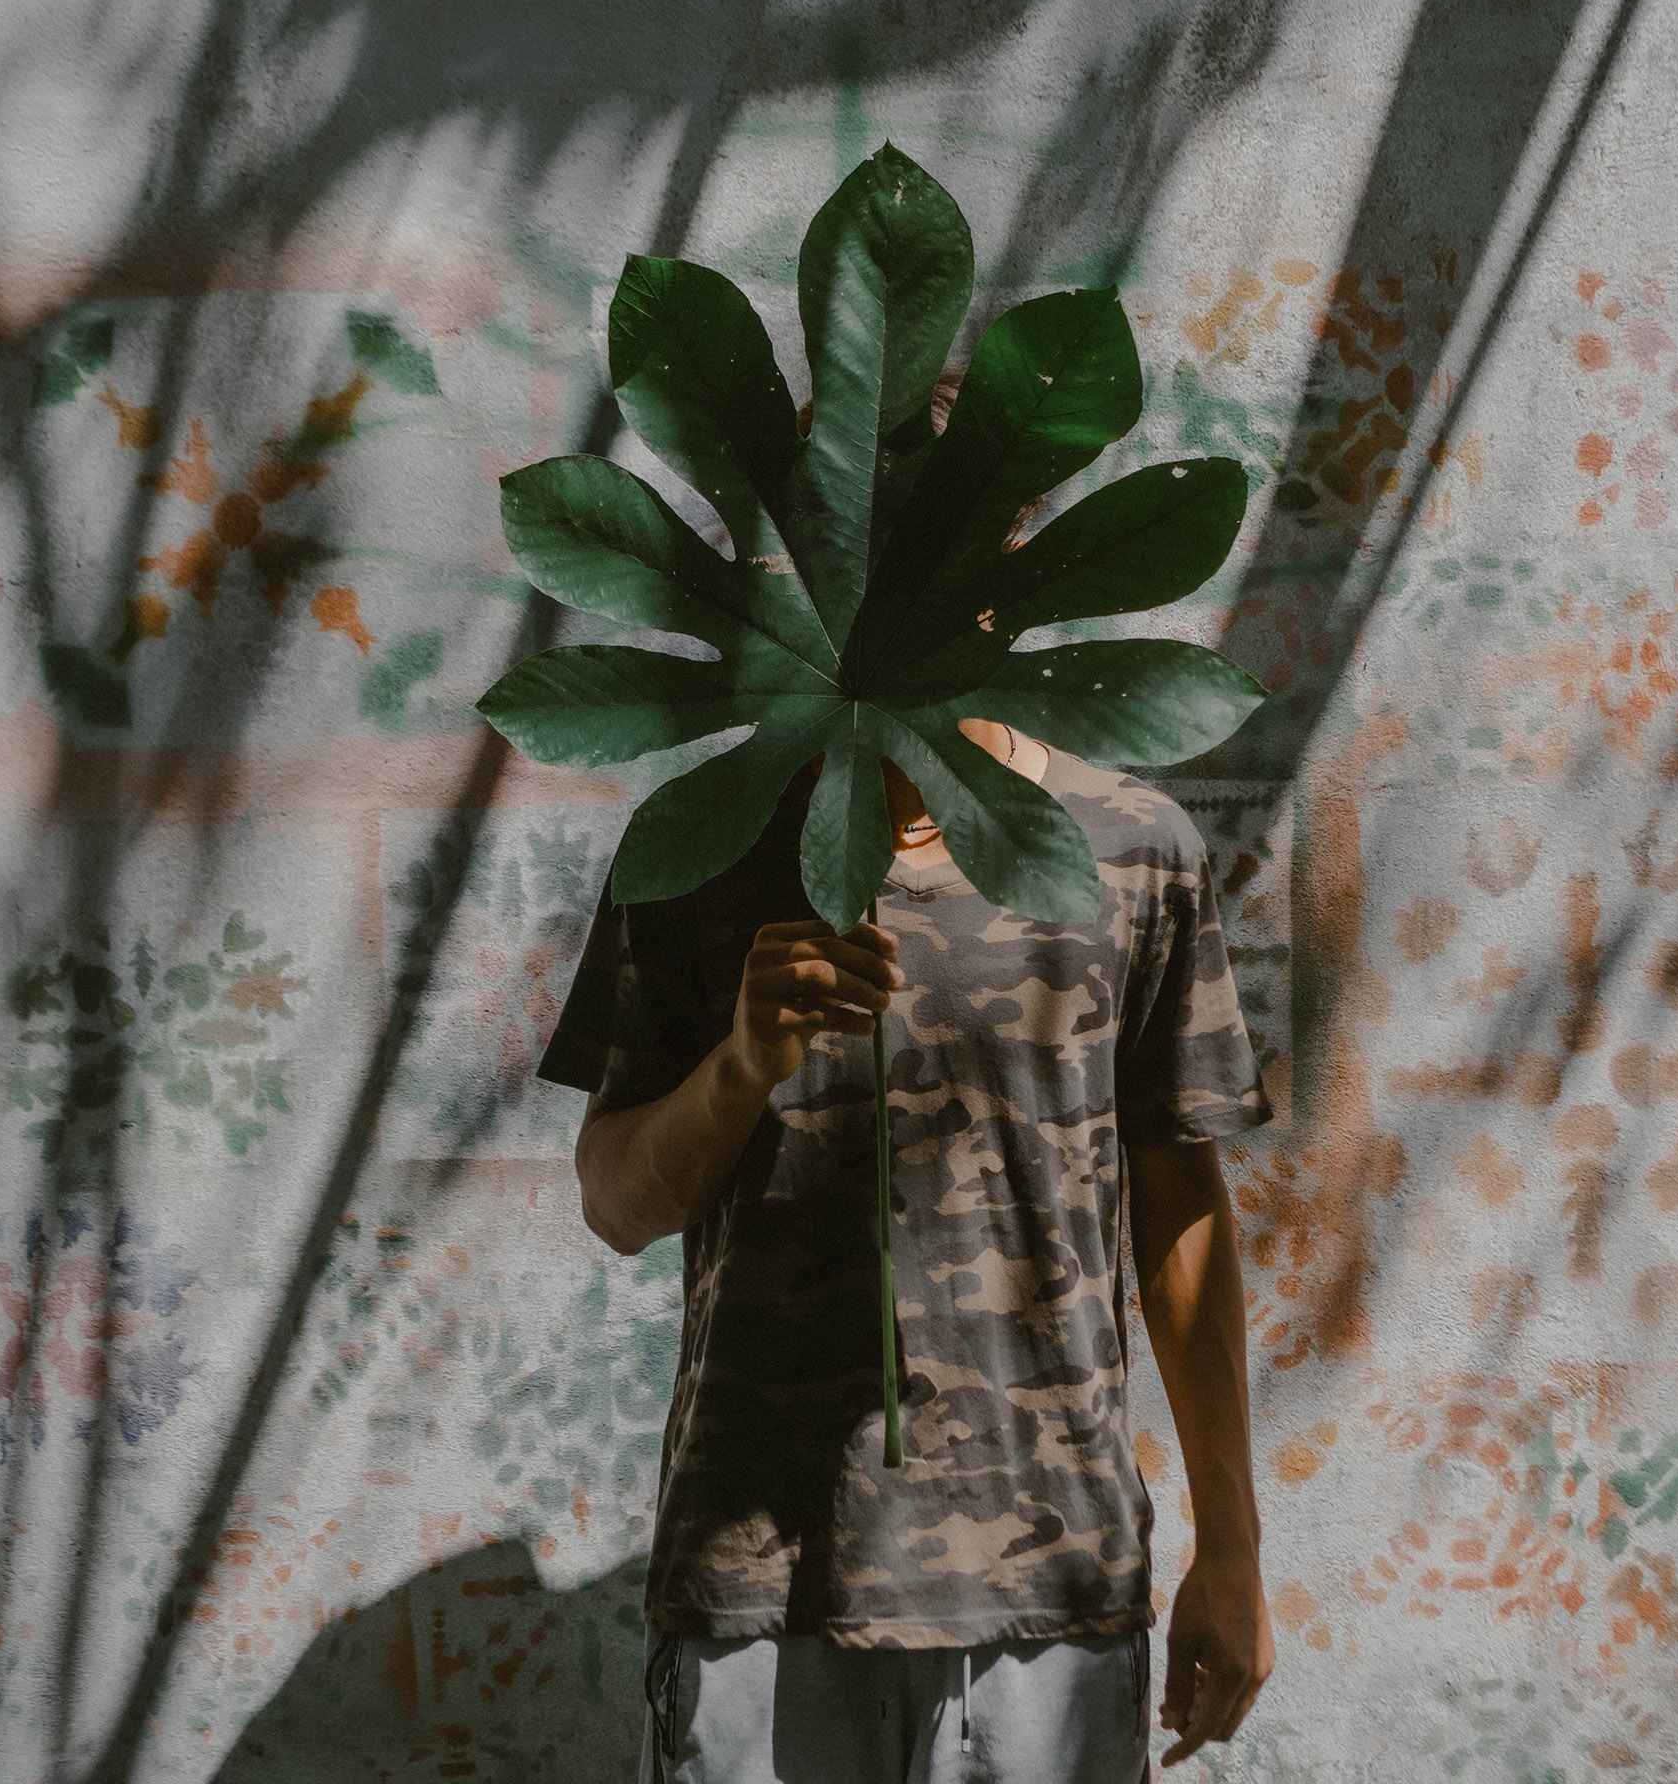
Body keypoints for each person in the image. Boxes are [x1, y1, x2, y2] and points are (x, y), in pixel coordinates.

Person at [537, 713, 1276, 1782]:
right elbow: (616, 1201)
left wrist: (1234, 1544)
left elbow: (1181, 1211)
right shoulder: (699, 840)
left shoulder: (1130, 843)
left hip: (1049, 1588)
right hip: (762, 1589)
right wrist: (741, 1064)